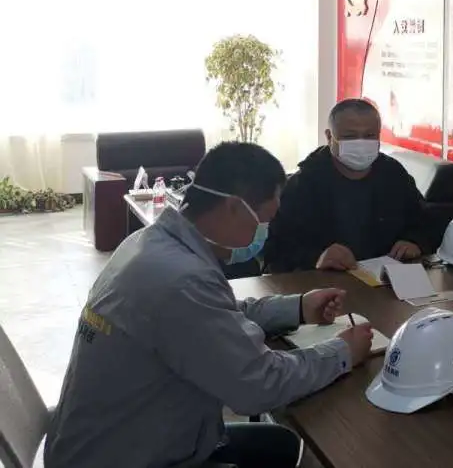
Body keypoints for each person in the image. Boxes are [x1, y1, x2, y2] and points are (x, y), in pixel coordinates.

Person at [44, 142, 374, 468]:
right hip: (127, 458)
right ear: (233, 208)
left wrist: (299, 307)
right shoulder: (181, 279)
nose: (265, 234)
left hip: (120, 441)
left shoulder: (151, 244)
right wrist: (342, 353)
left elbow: (217, 315)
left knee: (282, 445)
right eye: (264, 221)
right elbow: (259, 385)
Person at [262, 98, 428, 272]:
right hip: (323, 281)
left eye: (369, 136)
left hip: (386, 279)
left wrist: (415, 242)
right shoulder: (303, 184)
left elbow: (425, 220)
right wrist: (316, 258)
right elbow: (275, 250)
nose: (361, 144)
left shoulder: (393, 174)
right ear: (329, 137)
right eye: (350, 136)